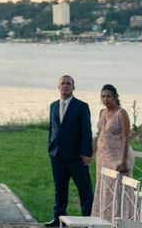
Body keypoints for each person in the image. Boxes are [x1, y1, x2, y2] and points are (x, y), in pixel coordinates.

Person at [45, 75, 93, 227]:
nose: (65, 86)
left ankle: (88, 221)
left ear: (73, 87)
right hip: (57, 156)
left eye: (68, 84)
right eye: (62, 83)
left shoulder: (81, 106)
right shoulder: (53, 106)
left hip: (76, 157)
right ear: (58, 86)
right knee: (60, 189)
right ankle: (58, 219)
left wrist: (86, 153)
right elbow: (51, 128)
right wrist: (50, 145)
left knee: (85, 190)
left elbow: (87, 131)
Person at [91, 84, 134, 220]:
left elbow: (126, 138)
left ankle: (119, 221)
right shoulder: (101, 112)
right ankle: (102, 220)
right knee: (103, 189)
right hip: (102, 159)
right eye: (103, 96)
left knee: (117, 191)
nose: (106, 99)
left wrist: (123, 161)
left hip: (117, 158)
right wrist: (91, 152)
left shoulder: (121, 113)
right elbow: (99, 134)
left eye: (109, 96)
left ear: (115, 97)